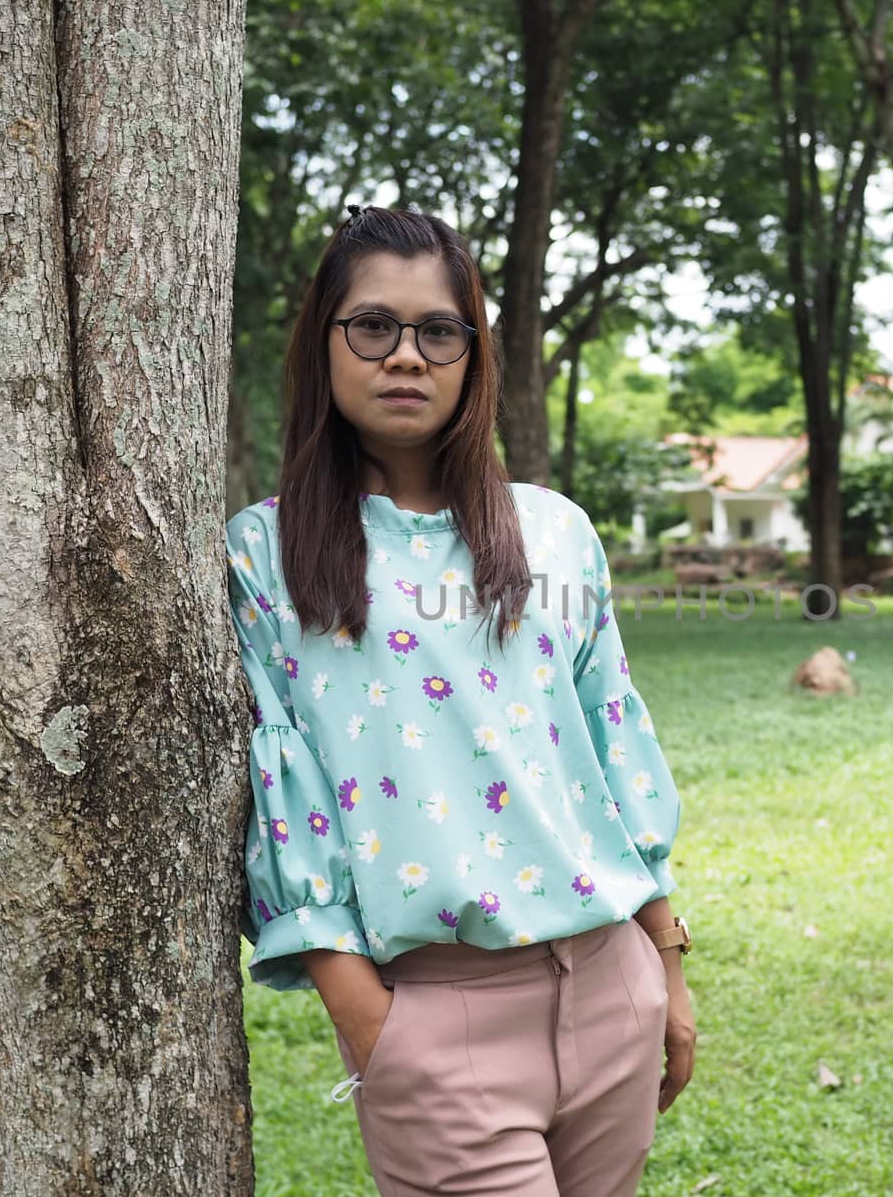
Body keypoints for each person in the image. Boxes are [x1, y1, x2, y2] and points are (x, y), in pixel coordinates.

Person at [224, 204, 696, 1196]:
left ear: (472, 353)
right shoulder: (263, 555)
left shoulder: (556, 533)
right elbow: (279, 782)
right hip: (440, 1024)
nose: (407, 356)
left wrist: (666, 967)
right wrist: (372, 1024)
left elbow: (612, 748)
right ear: (325, 343)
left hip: (614, 989)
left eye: (439, 330)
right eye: (373, 326)